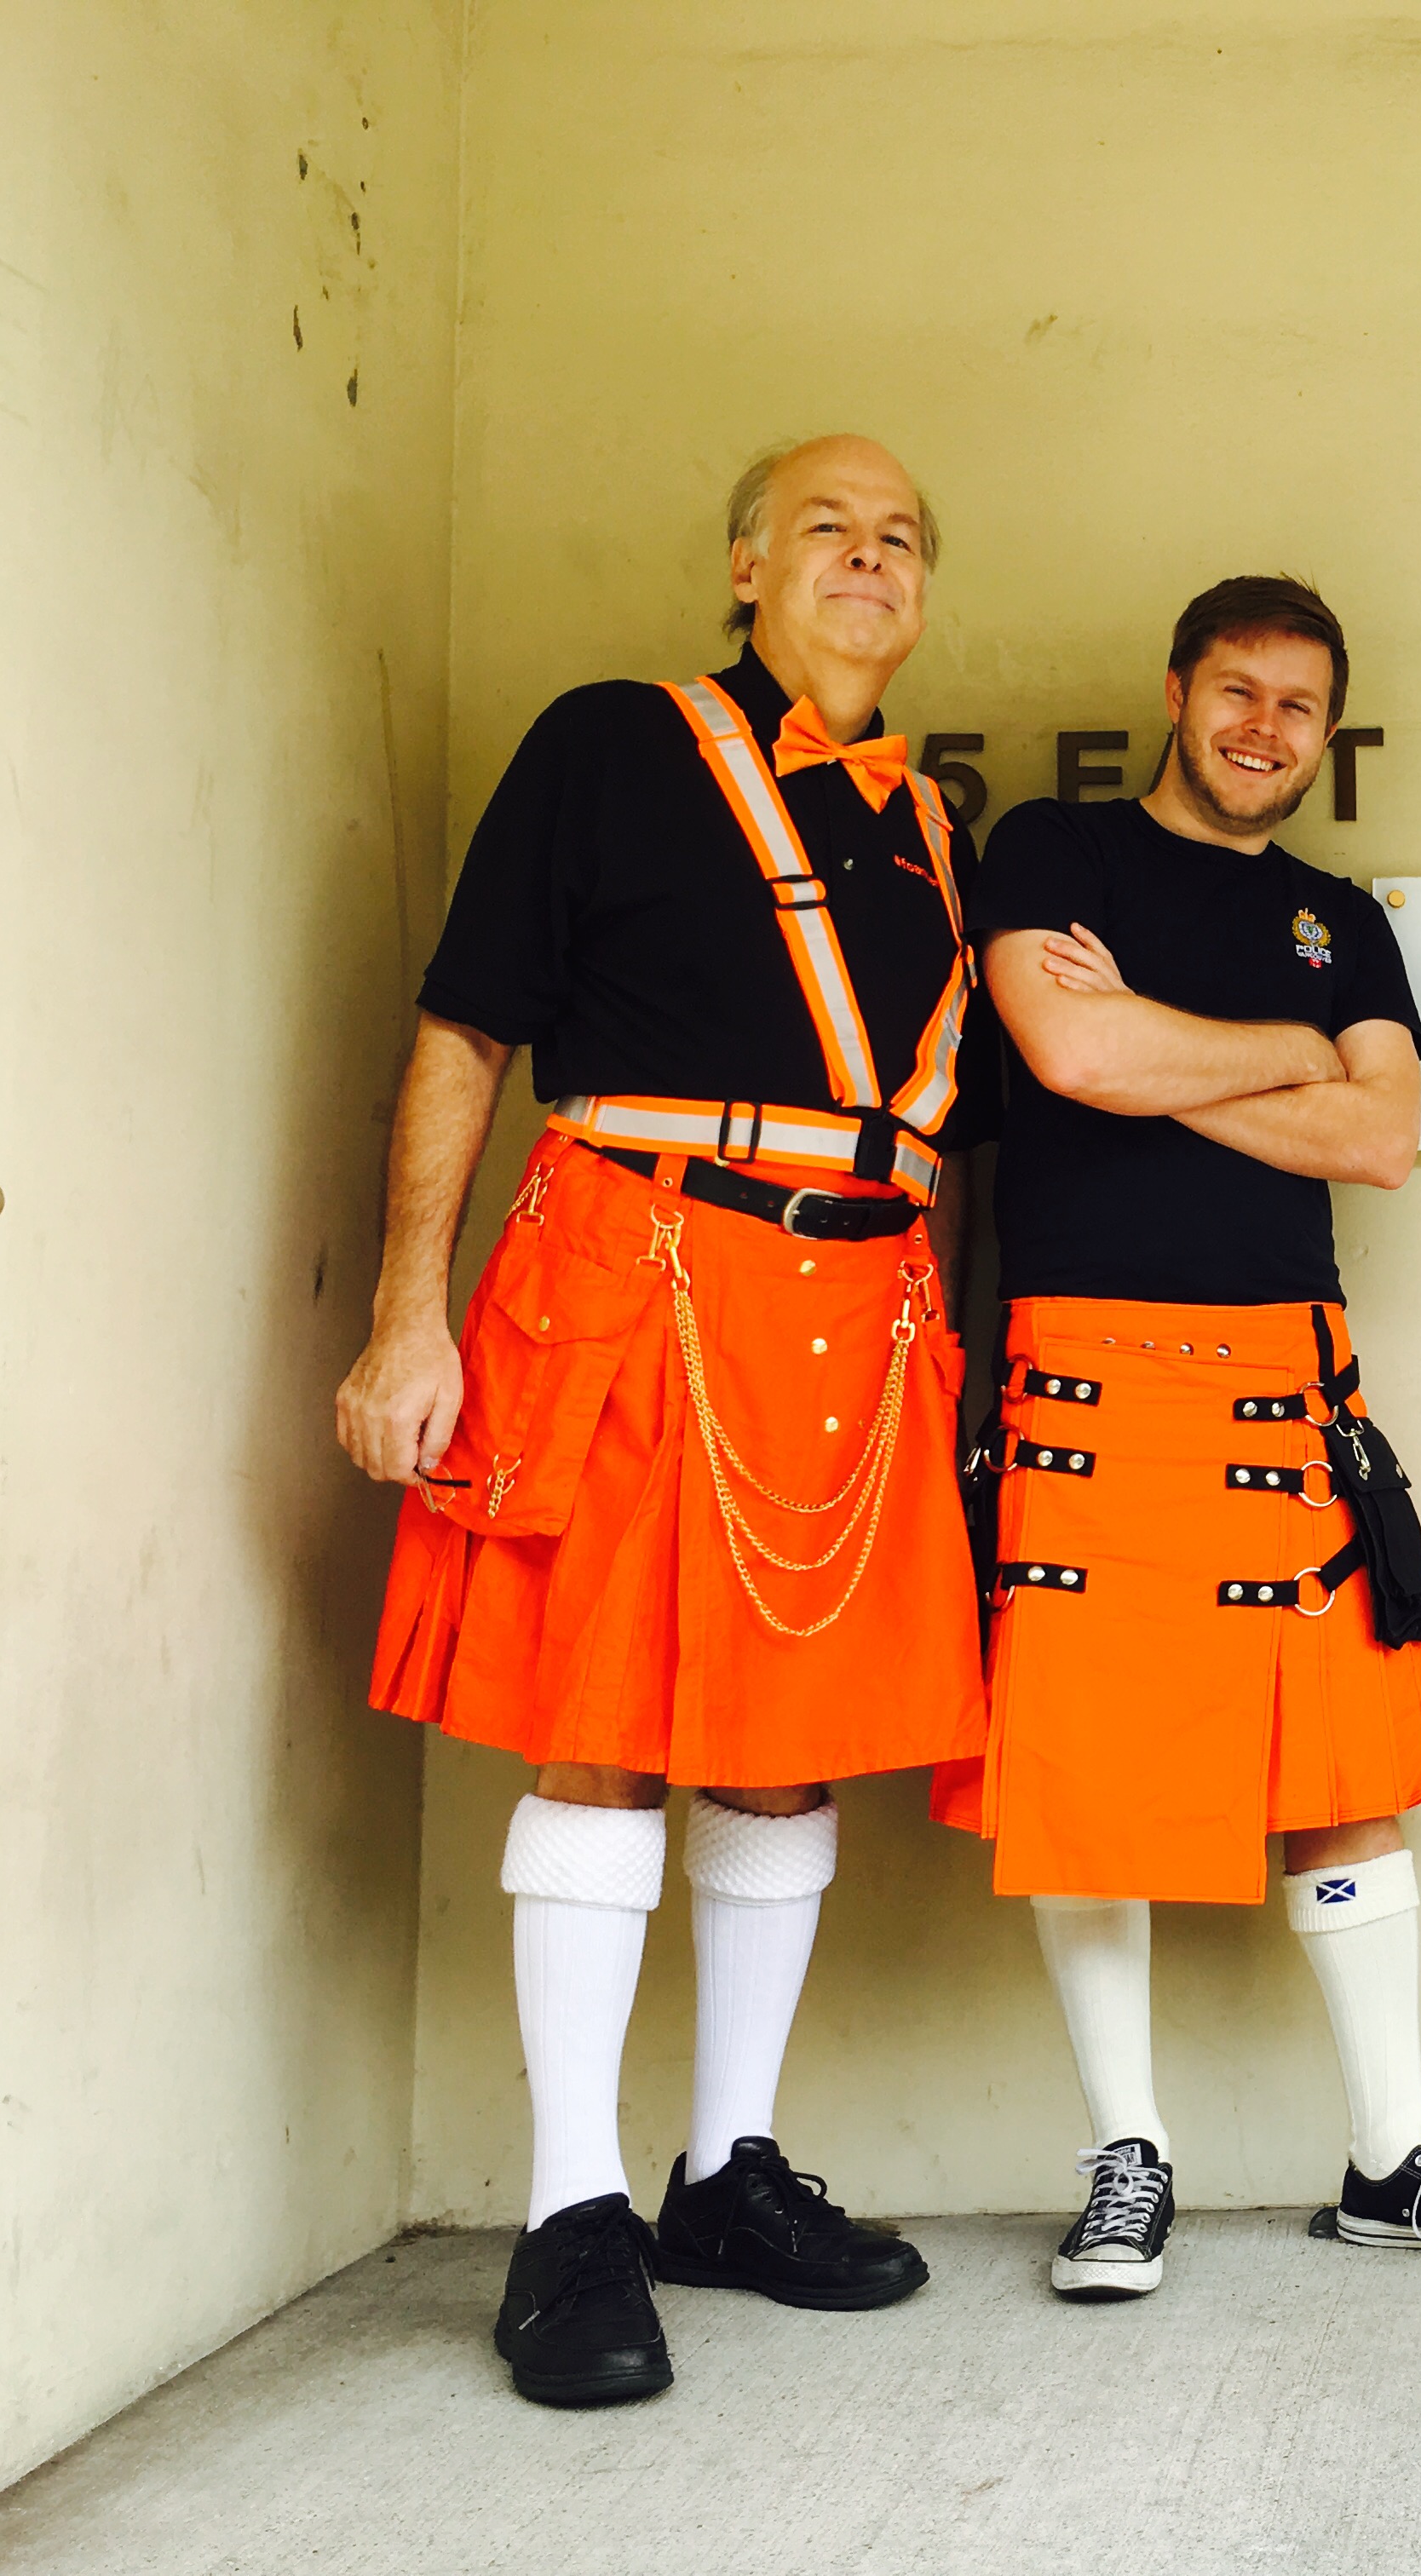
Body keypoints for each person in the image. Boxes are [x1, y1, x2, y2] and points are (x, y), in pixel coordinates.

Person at [336, 435, 983, 2406]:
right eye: (825, 528)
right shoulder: (613, 741)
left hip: (853, 1317)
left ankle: (725, 2175)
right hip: (639, 1274)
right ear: (742, 569)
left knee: (783, 1759)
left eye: (900, 538)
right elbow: (469, 1024)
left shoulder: (928, 825)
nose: (866, 558)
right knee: (602, 1734)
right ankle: (570, 2216)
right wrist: (406, 1316)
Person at [931, 574, 1421, 2297]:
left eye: (1299, 705)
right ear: (1176, 689)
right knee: (1087, 1784)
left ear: (1327, 730)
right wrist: (1290, 1061)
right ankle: (1125, 2160)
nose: (1263, 727)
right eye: (1237, 689)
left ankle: (1396, 2156)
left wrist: (1179, 1055)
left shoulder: (1339, 920)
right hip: (1082, 1375)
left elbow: (1380, 1141)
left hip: (1287, 1379)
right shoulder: (1058, 853)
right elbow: (1069, 1054)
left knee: (1340, 1780)